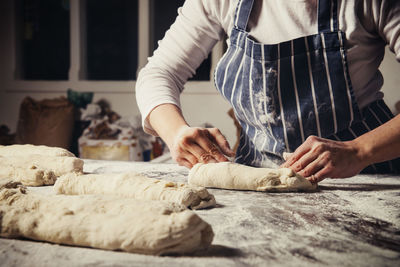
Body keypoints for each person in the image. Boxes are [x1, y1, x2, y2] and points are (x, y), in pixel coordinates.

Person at [136, 0, 400, 183]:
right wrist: (175, 132)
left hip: (365, 179)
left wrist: (358, 151)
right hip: (258, 180)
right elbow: (159, 72)